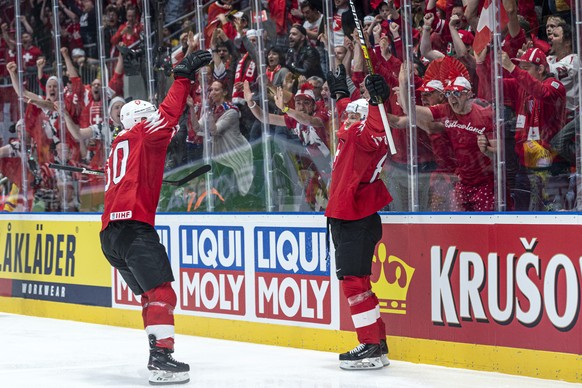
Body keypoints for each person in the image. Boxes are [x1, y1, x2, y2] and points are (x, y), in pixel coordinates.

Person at [99, 49, 212, 385]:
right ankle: (161, 358)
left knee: (150, 296)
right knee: (162, 293)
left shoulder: (121, 142)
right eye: (149, 116)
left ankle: (157, 351)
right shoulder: (146, 133)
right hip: (134, 230)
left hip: (110, 236)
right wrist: (182, 77)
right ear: (142, 121)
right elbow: (170, 113)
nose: (159, 122)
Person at [325, 67, 392, 370]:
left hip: (356, 218)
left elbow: (375, 130)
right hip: (351, 217)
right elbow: (351, 113)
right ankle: (377, 343)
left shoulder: (363, 137)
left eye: (353, 116)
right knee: (359, 283)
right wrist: (342, 95)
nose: (346, 118)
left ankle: (369, 346)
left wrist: (378, 102)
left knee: (353, 284)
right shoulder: (351, 132)